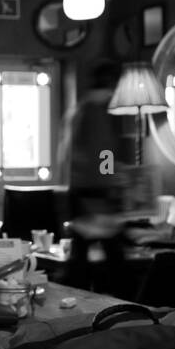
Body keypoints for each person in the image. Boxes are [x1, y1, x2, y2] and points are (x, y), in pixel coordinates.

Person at [55, 57, 127, 290]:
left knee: (83, 256)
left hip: (79, 189)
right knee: (112, 261)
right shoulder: (97, 111)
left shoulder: (80, 108)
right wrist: (113, 183)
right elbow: (103, 152)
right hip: (95, 192)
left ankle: (82, 298)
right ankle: (121, 301)